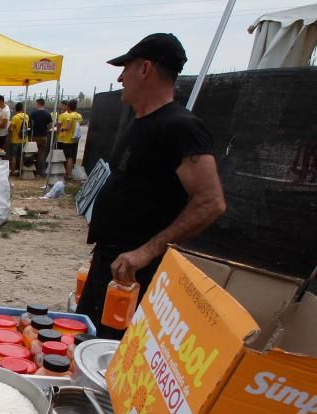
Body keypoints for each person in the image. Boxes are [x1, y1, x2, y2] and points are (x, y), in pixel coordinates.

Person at [76, 33, 226, 338]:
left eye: (125, 68)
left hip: (136, 270)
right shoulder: (139, 122)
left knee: (114, 352)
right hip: (112, 262)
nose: (120, 77)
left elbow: (211, 202)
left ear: (145, 69)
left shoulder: (180, 127)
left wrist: (146, 252)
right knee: (88, 341)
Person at [56, 99, 81, 178]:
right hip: (75, 139)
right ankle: (69, 174)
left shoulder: (70, 116)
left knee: (67, 157)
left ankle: (68, 174)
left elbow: (68, 127)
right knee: (71, 157)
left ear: (68, 107)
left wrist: (62, 129)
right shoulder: (79, 115)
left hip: (68, 140)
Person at [28, 98, 53, 176]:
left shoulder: (32, 114)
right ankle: (40, 172)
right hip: (43, 137)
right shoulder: (47, 114)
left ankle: (32, 171)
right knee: (41, 154)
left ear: (38, 104)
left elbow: (29, 125)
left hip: (34, 137)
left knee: (32, 153)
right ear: (44, 104)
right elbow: (50, 126)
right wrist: (45, 128)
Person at [8, 102, 29, 174]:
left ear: (15, 109)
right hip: (24, 139)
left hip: (15, 140)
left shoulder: (15, 117)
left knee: (14, 156)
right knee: (21, 156)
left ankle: (13, 171)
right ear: (22, 108)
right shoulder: (26, 116)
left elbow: (10, 128)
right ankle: (21, 171)